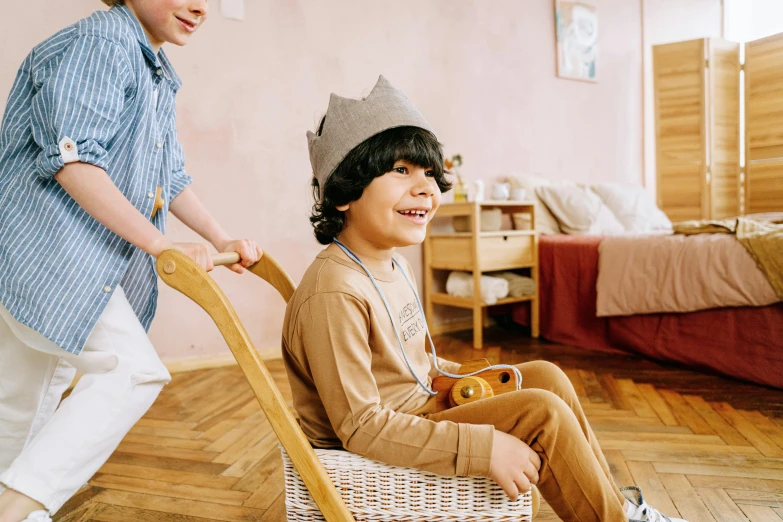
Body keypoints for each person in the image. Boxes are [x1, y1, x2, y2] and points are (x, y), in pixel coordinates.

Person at [281, 75, 687, 522]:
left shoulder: (392, 266)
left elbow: (419, 369)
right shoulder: (334, 291)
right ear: (344, 192)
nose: (426, 189)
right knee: (542, 413)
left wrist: (485, 380)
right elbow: (361, 426)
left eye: (430, 174)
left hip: (419, 408)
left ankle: (619, 509)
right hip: (384, 437)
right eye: (400, 171)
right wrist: (484, 446)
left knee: (544, 378)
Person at [0, 1, 262, 520]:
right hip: (51, 249)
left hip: (60, 255)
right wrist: (161, 245)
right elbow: (73, 161)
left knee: (25, 395)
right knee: (132, 371)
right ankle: (16, 510)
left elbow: (171, 176)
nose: (200, 6)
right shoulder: (103, 43)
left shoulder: (155, 70)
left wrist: (221, 236)